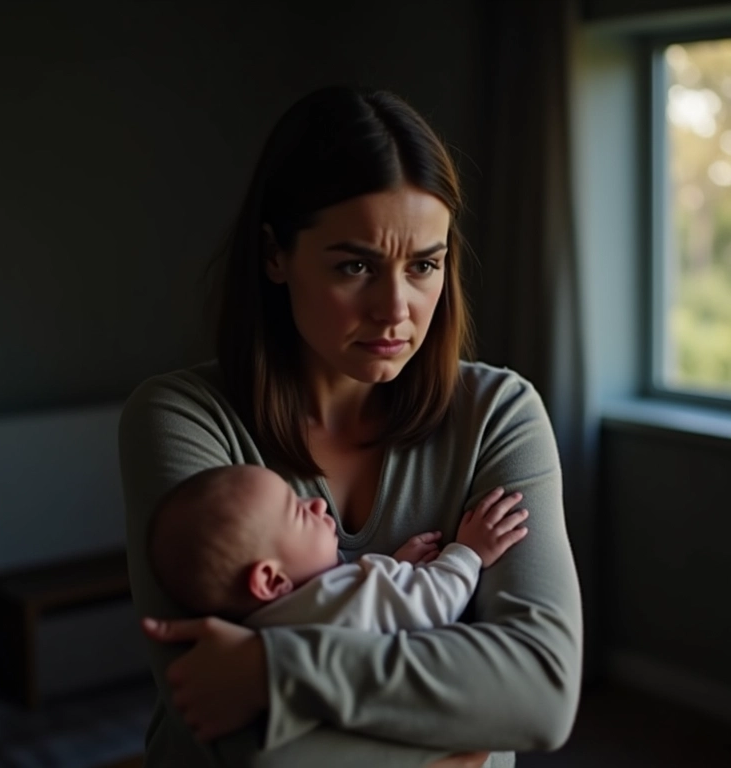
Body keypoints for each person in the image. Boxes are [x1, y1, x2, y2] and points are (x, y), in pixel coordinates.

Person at [119, 85, 583, 768]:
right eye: (355, 266)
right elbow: (241, 743)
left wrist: (271, 672)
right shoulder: (182, 418)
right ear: (276, 255)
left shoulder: (498, 414)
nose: (395, 310)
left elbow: (541, 693)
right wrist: (459, 733)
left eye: (424, 265)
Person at [148, 464, 529, 630]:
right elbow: (432, 603)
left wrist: (393, 568)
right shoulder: (336, 601)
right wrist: (469, 553)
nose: (315, 503)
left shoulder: (260, 631)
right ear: (270, 579)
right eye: (296, 512)